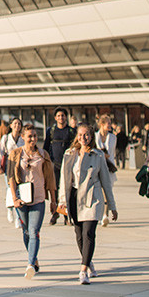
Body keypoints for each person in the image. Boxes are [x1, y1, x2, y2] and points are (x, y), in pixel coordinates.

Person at [58, 123, 118, 285]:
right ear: (76, 136)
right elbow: (64, 180)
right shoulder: (69, 154)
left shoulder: (97, 155)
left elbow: (106, 182)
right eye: (80, 135)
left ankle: (83, 270)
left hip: (93, 198)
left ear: (92, 137)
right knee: (78, 235)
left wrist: (112, 206)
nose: (83, 138)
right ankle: (88, 260)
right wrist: (62, 200)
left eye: (87, 135)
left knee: (89, 234)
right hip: (74, 197)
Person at [8, 124, 56, 279]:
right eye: (30, 136)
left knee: (34, 231)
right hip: (21, 200)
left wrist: (53, 201)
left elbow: (50, 179)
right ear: (23, 137)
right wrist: (14, 198)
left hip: (38, 199)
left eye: (35, 136)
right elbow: (10, 178)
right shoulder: (14, 154)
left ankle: (29, 264)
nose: (33, 139)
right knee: (26, 231)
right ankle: (34, 257)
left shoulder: (43, 155)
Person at [43, 107, 76, 225]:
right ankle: (55, 213)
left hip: (68, 165)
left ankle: (67, 215)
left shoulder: (71, 131)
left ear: (66, 117)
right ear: (55, 117)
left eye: (63, 115)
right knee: (55, 190)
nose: (61, 118)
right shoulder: (51, 131)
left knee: (68, 189)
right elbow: (46, 148)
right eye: (59, 116)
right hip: (54, 165)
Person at [0, 118, 24, 228]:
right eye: (15, 123)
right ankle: (10, 209)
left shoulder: (22, 139)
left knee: (19, 190)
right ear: (11, 125)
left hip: (20, 167)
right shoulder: (6, 138)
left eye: (19, 124)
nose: (17, 125)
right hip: (9, 166)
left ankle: (18, 217)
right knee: (10, 189)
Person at [95, 115, 117, 227]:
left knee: (107, 191)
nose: (109, 125)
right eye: (107, 123)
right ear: (102, 124)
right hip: (98, 167)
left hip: (109, 167)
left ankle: (105, 215)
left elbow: (112, 153)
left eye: (110, 122)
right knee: (100, 192)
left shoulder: (113, 137)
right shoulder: (95, 136)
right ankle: (101, 214)